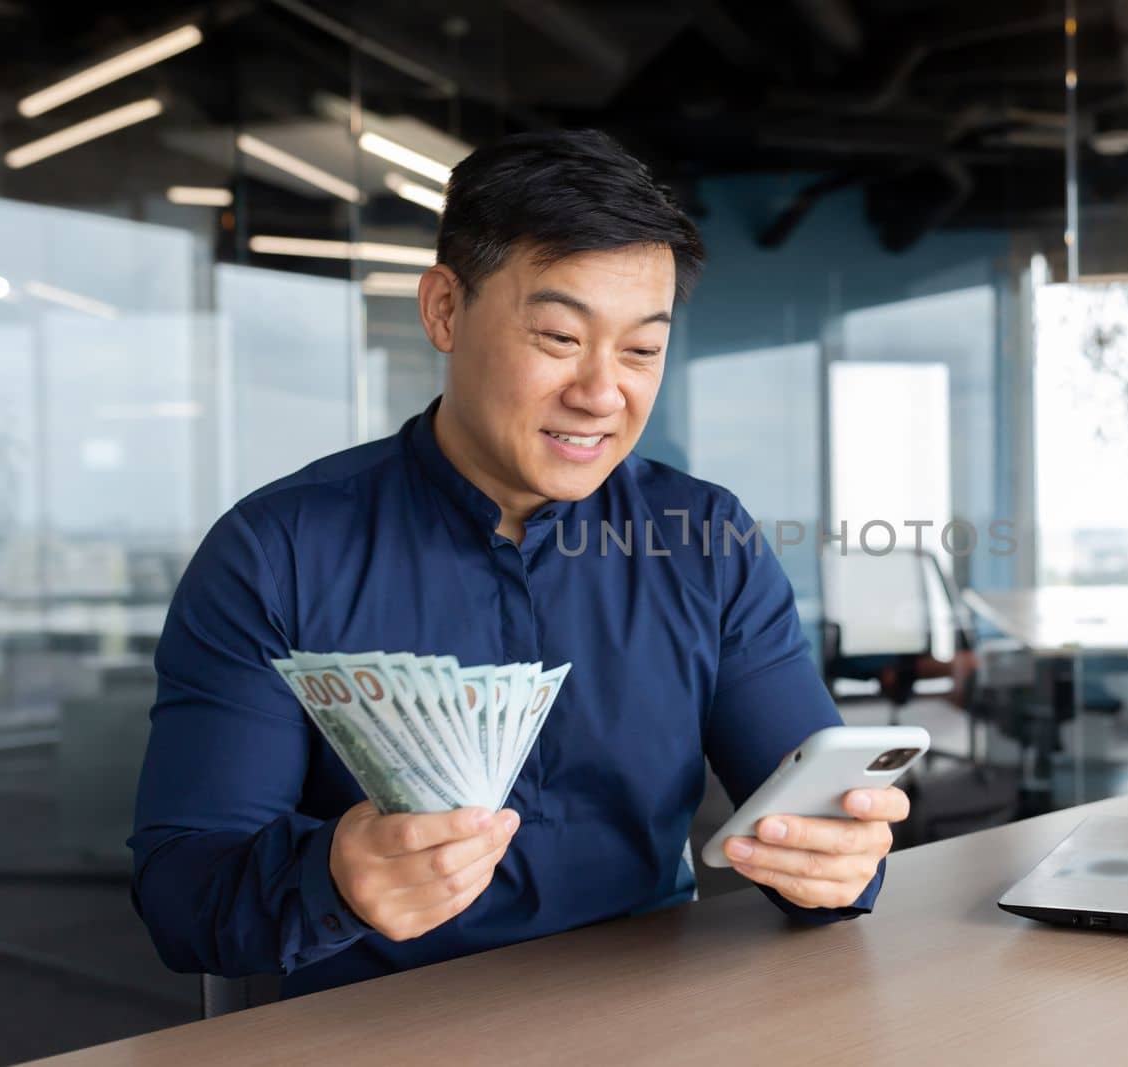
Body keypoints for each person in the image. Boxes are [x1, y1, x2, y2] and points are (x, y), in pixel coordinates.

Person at [129, 129, 908, 997]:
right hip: (378, 1033)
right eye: (558, 336)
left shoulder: (705, 537)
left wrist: (841, 862)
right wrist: (336, 877)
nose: (602, 392)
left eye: (642, 349)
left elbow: (813, 817)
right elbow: (180, 895)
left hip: (651, 1019)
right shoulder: (275, 555)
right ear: (444, 311)